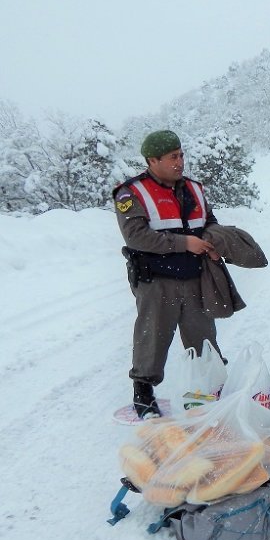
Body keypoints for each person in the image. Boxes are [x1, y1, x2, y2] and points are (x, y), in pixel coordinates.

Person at [114, 130, 222, 419]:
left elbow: (209, 221)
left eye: (181, 155)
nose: (180, 162)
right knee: (153, 336)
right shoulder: (131, 192)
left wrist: (212, 242)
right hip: (156, 280)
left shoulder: (195, 189)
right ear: (153, 160)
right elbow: (136, 236)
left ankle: (207, 386)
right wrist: (185, 243)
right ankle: (144, 392)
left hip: (195, 276)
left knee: (203, 335)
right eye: (173, 157)